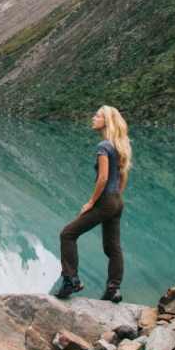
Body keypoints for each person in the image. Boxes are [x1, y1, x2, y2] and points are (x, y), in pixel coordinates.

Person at [54, 105, 132, 303]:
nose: (93, 117)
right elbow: (123, 176)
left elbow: (103, 177)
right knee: (112, 247)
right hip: (116, 201)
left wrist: (91, 202)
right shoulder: (120, 145)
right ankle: (114, 289)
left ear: (106, 121)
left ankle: (71, 280)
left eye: (97, 115)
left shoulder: (104, 147)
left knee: (68, 234)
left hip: (106, 200)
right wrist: (116, 197)